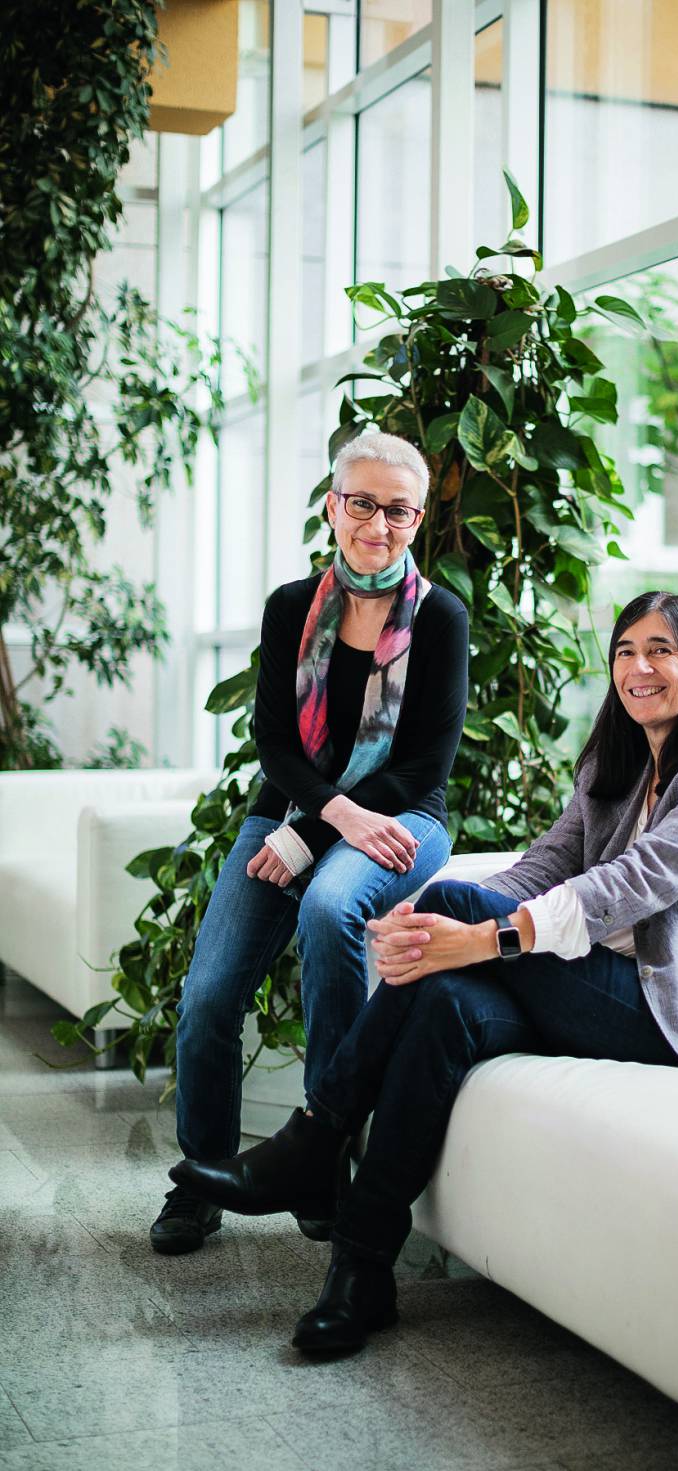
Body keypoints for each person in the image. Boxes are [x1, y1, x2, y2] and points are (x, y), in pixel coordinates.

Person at [171, 591, 678, 1353]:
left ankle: (316, 1136)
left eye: (661, 650)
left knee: (452, 912)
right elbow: (542, 866)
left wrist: (480, 935)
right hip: (608, 987)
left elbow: (633, 882)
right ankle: (360, 1270)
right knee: (445, 997)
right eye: (626, 650)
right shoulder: (617, 765)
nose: (640, 666)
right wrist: (432, 929)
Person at [151, 432, 469, 1255]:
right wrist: (317, 819)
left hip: (405, 817)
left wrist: (324, 831)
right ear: (333, 506)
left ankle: (319, 1161)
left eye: (397, 509)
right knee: (209, 996)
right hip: (289, 811)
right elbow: (275, 742)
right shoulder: (292, 606)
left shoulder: (440, 616)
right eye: (361, 503)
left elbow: (425, 764)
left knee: (331, 908)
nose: (377, 524)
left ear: (417, 518)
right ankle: (202, 1178)